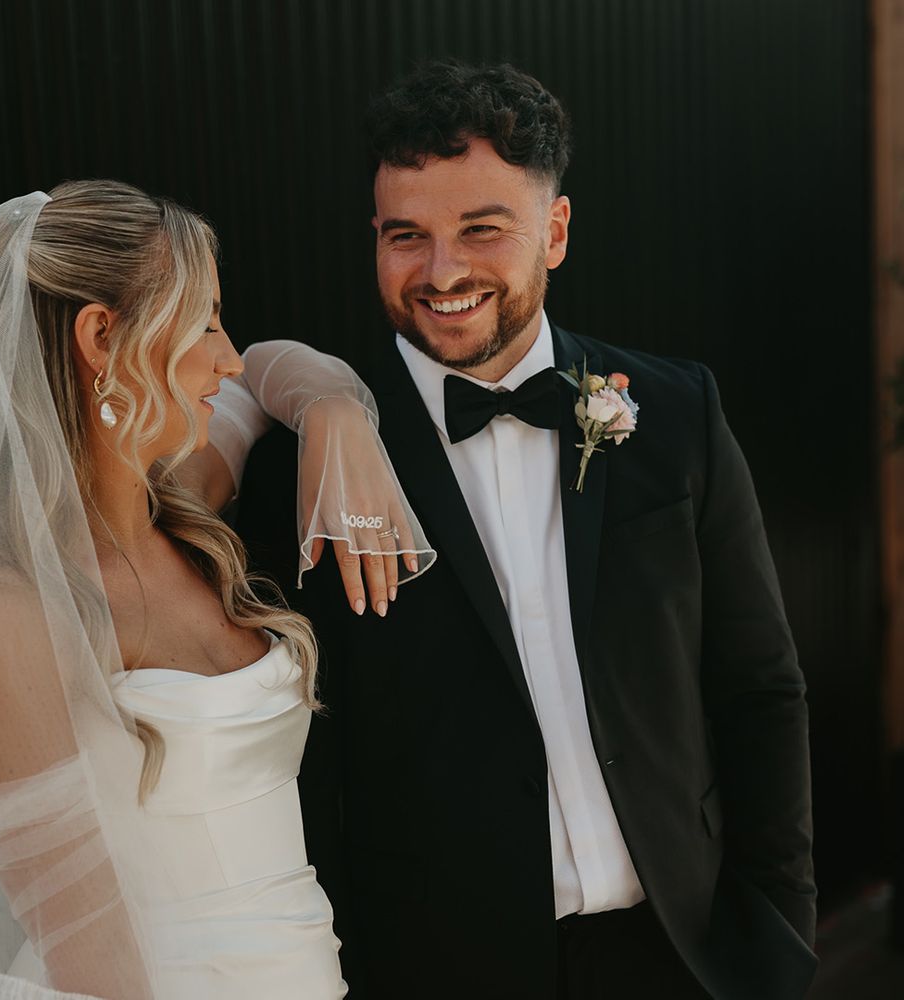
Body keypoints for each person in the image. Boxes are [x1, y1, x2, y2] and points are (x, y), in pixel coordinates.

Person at [228, 62, 818, 1000]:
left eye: (482, 229)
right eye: (405, 236)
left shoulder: (676, 411)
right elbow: (299, 769)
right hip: (439, 968)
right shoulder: (301, 463)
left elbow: (759, 687)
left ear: (556, 231)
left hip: (686, 950)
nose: (442, 272)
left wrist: (778, 926)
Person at [0, 180, 432, 999]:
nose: (226, 352)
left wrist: (336, 413)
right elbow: (88, 956)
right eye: (206, 319)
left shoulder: (183, 505)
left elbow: (266, 370)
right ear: (101, 335)